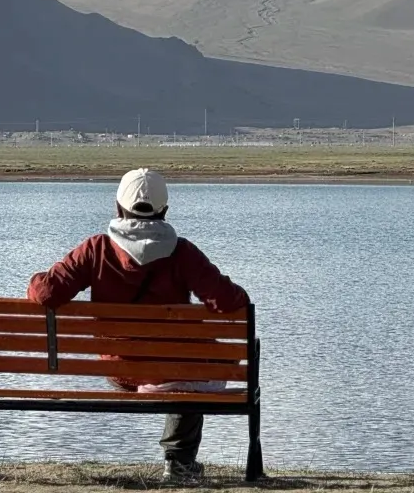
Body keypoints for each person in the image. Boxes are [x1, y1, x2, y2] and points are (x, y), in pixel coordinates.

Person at [26, 168, 248, 481]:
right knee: (197, 363)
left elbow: (47, 292)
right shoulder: (183, 252)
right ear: (165, 211)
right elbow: (229, 301)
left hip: (120, 368)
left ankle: (179, 457)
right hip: (174, 367)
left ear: (118, 208)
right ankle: (179, 460)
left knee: (182, 365)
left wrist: (36, 279)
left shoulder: (95, 249)